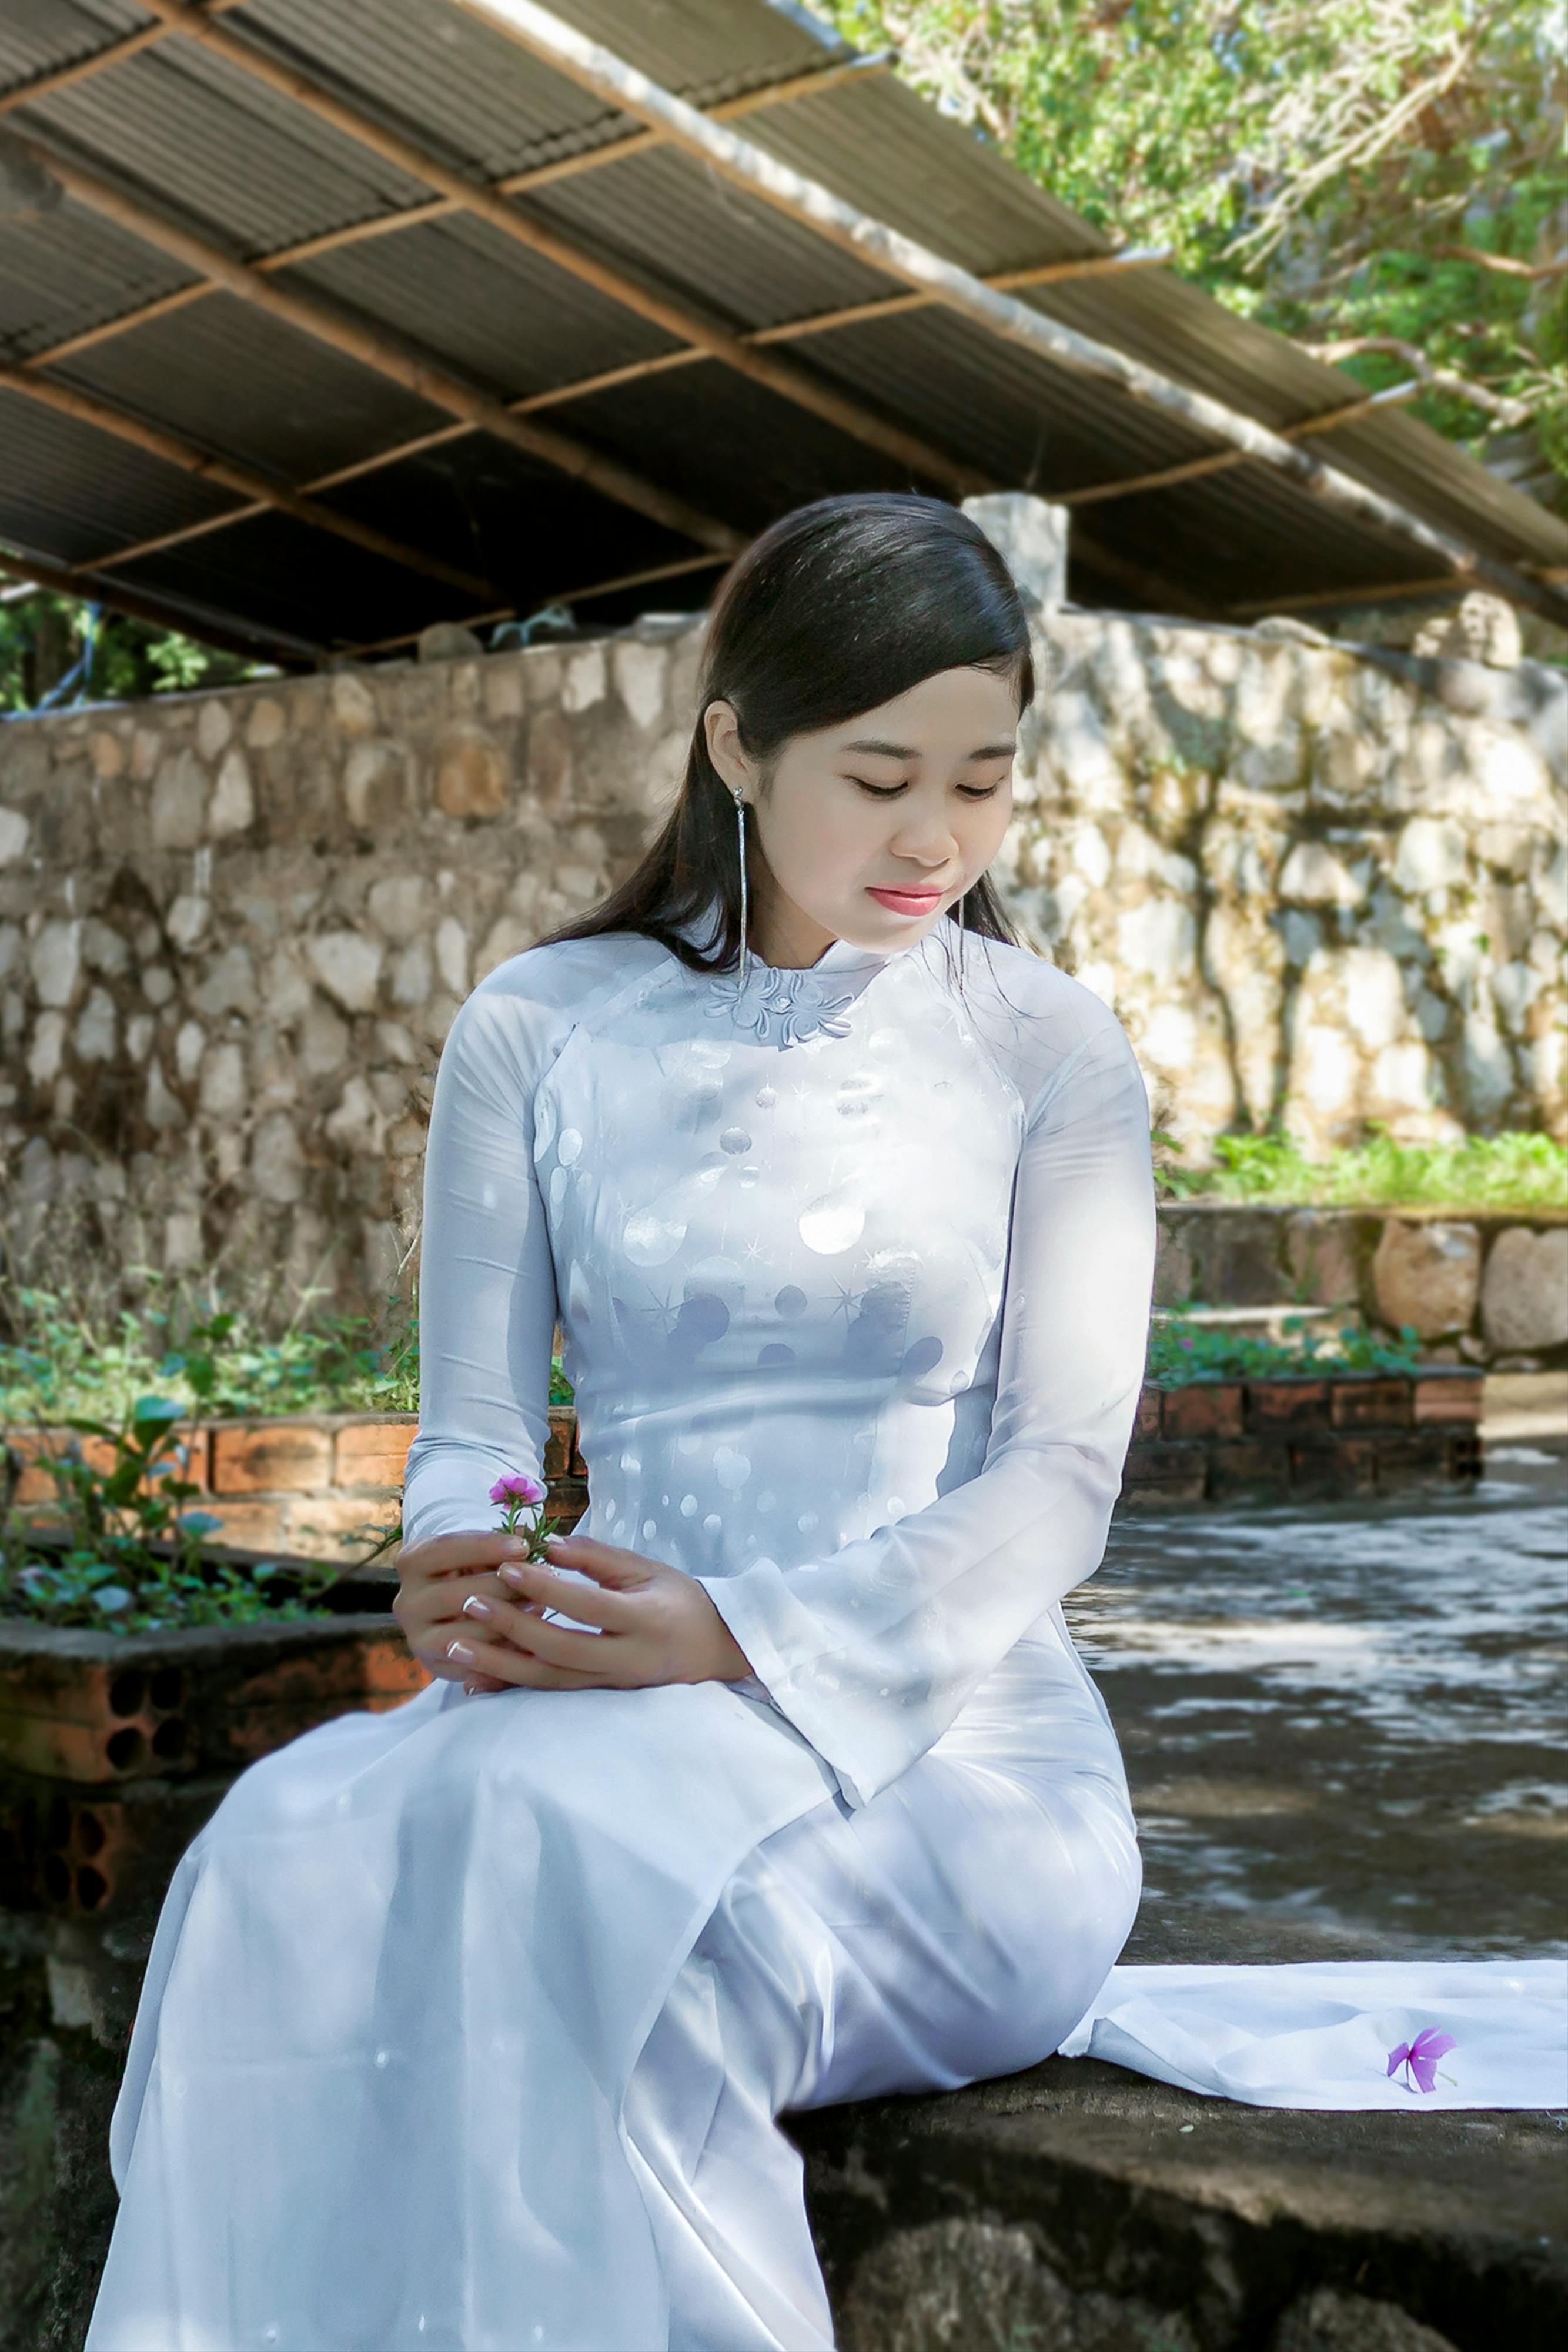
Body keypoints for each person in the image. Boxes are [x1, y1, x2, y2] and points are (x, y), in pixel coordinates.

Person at [87, 493, 1157, 2351]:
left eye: (982, 782)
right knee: (278, 1862)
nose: (935, 837)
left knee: (630, 1945)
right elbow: (483, 1431)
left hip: (950, 1771)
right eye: (879, 773)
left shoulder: (1043, 1047)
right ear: (737, 743)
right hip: (595, 1709)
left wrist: (736, 1633)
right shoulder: (545, 1027)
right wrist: (458, 1559)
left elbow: (1059, 1483)